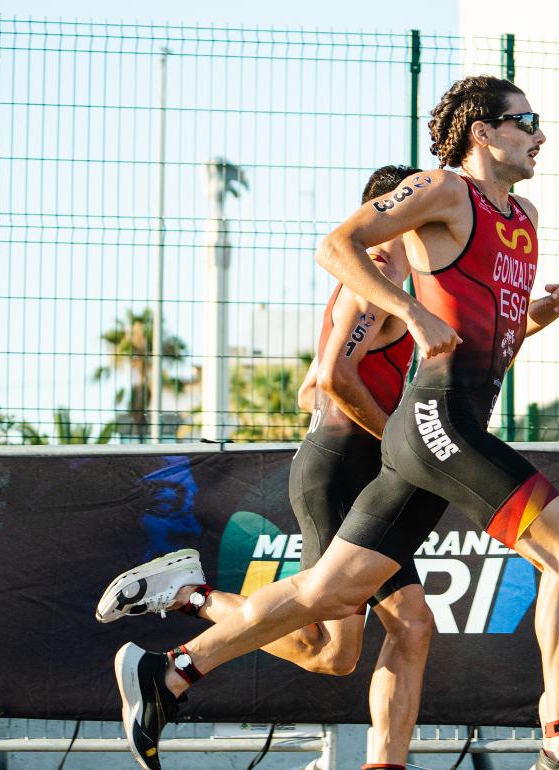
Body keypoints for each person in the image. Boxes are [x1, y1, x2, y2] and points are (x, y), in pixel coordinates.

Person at [112, 75, 559, 770]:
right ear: (482, 131)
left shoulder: (523, 219)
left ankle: (169, 674)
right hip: (434, 426)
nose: (540, 134)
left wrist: (541, 315)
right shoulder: (443, 191)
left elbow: (490, 346)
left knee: (333, 599)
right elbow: (335, 246)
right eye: (525, 119)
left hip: (431, 435)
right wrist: (408, 310)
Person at [99, 165, 446, 767]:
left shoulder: (392, 278)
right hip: (342, 472)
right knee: (347, 640)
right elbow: (336, 378)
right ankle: (178, 637)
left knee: (385, 635)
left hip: (360, 472)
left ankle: (189, 604)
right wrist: (396, 441)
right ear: (395, 211)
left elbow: (323, 376)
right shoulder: (379, 274)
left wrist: (536, 314)